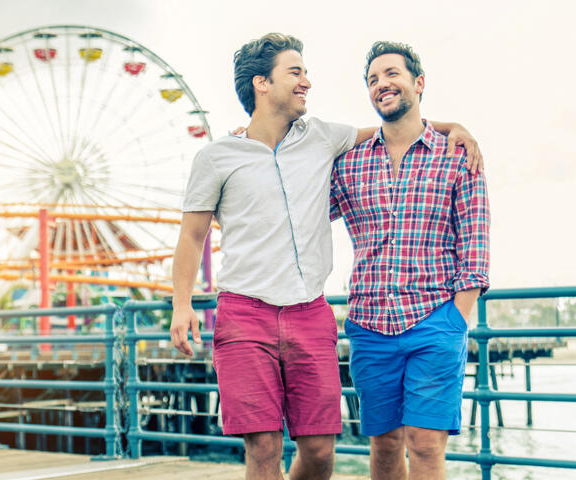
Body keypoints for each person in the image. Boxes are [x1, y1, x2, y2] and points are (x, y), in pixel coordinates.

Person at [170, 33, 481, 480]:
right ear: (262, 83)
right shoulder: (218, 156)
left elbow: (395, 125)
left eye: (305, 72)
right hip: (245, 310)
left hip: (311, 313)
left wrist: (454, 127)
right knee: (263, 446)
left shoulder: (321, 137)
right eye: (296, 72)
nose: (307, 83)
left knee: (319, 451)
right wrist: (182, 304)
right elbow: (192, 236)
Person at [330, 40, 490, 480]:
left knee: (425, 446)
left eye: (392, 74)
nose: (382, 84)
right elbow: (301, 212)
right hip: (369, 324)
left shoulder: (459, 153)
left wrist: (456, 318)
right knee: (383, 447)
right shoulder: (348, 164)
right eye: (373, 80)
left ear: (418, 82)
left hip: (434, 321)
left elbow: (475, 244)